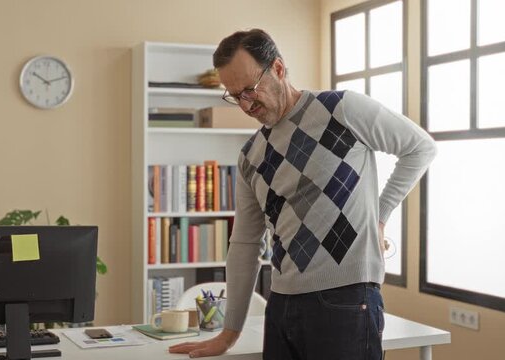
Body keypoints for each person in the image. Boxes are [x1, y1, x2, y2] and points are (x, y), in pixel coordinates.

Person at [169, 29, 437, 360]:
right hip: (281, 305)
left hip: (346, 299)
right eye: (234, 95)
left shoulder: (342, 110)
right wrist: (229, 332)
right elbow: (244, 245)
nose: (245, 104)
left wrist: (379, 215)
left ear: (278, 69)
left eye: (250, 90)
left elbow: (420, 148)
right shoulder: (251, 155)